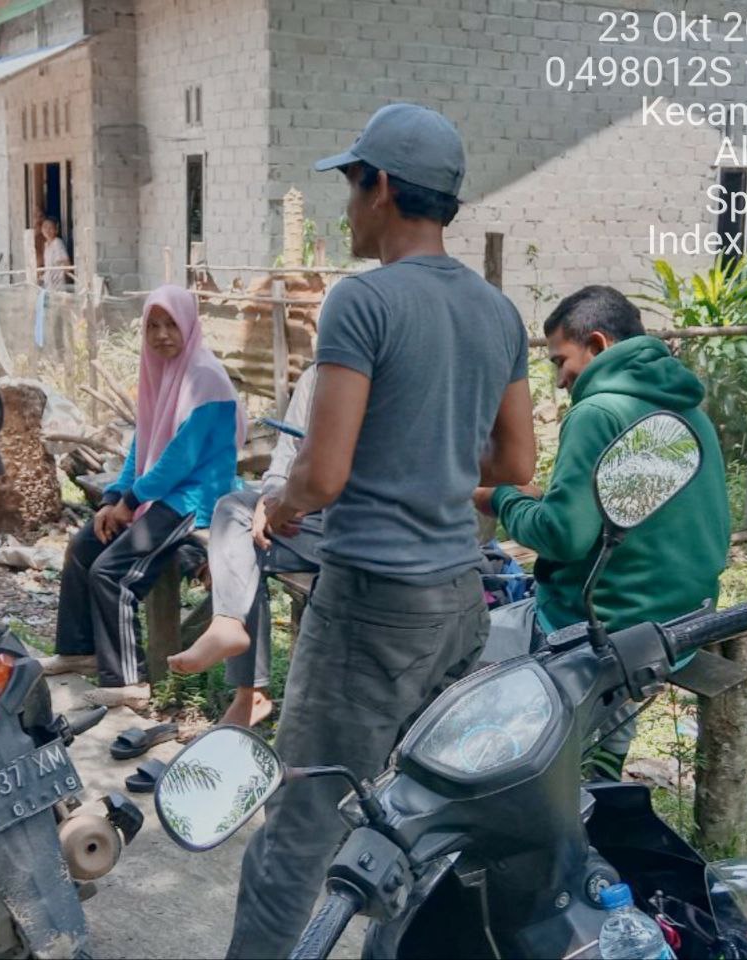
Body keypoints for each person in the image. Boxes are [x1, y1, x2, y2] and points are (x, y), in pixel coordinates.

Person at [225, 102, 535, 958]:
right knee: (417, 815)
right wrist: (431, 471)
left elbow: (320, 476)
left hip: (370, 606)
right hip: (459, 601)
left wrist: (277, 507)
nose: (346, 208)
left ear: (384, 189)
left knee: (301, 824)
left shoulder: (361, 302)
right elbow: (514, 465)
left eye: (351, 186)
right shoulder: (497, 313)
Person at [476, 285, 730, 781]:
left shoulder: (597, 412)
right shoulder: (690, 411)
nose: (560, 380)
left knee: (469, 654)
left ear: (596, 345)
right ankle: (604, 758)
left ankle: (549, 772)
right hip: (681, 623)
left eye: (560, 361)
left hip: (607, 632)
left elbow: (563, 537)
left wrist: (503, 497)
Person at [42, 284, 242, 709]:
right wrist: (114, 496)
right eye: (153, 325)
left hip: (196, 499)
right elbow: (143, 444)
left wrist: (130, 503)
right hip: (162, 494)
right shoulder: (160, 370)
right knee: (83, 548)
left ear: (189, 325)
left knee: (113, 572)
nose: (162, 334)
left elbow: (180, 459)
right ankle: (80, 649)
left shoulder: (205, 376)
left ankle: (130, 682)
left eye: (171, 324)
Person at [167, 363, 322, 727]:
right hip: (303, 520)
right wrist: (270, 499)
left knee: (237, 530)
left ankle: (249, 685)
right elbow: (285, 460)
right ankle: (248, 688)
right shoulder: (316, 377)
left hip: (356, 529)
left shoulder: (376, 378)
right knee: (236, 513)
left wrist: (287, 501)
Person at [40, 216, 72, 290]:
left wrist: (62, 277)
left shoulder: (57, 243)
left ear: (56, 230)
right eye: (45, 227)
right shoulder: (46, 245)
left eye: (50, 228)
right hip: (49, 285)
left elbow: (67, 265)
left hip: (58, 286)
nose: (47, 230)